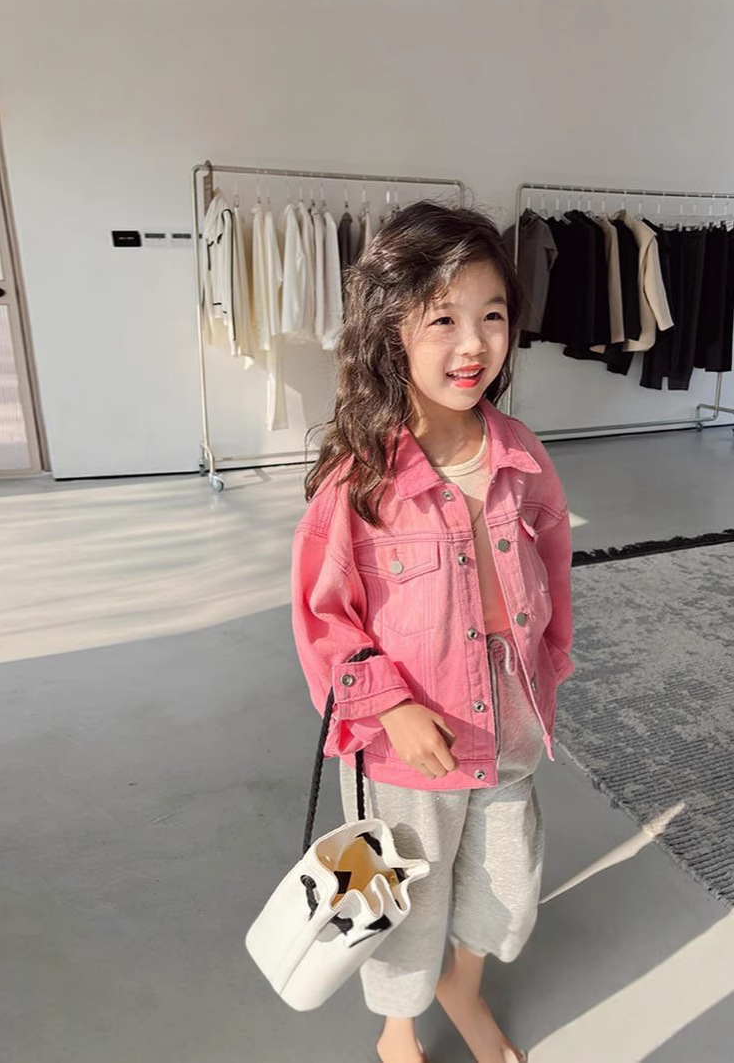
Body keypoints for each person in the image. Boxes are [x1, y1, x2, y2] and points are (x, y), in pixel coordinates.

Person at [291, 201, 574, 1063]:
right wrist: (388, 705)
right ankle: (398, 1030)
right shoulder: (360, 480)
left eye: (492, 315)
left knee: (503, 885)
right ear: (391, 330)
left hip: (509, 717)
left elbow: (553, 568)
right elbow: (322, 617)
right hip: (406, 740)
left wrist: (549, 665)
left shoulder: (520, 454)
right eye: (443, 319)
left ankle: (465, 987)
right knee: (402, 899)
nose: (473, 344)